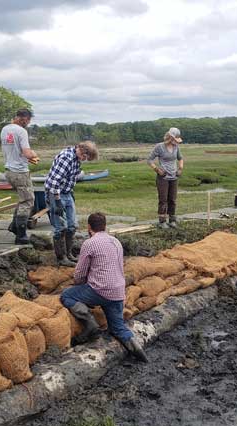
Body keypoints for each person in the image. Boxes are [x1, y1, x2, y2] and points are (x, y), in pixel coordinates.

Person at [60, 212, 148, 362]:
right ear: (105, 226)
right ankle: (140, 353)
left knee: (67, 295)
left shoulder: (89, 243)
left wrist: (78, 285)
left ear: (89, 227)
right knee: (118, 328)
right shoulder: (116, 242)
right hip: (118, 292)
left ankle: (90, 324)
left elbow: (80, 274)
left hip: (99, 290)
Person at [44, 140, 99, 266]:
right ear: (81, 150)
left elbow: (70, 177)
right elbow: (53, 181)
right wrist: (57, 201)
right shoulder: (66, 158)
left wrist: (71, 193)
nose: (85, 160)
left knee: (72, 225)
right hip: (55, 193)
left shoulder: (76, 159)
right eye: (85, 157)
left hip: (67, 193)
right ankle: (61, 257)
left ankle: (68, 253)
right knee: (60, 227)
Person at [0, 108, 39, 244]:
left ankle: (14, 226)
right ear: (25, 119)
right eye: (28, 121)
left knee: (22, 199)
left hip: (9, 170)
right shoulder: (21, 131)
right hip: (20, 172)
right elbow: (27, 153)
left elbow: (15, 150)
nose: (28, 123)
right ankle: (21, 235)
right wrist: (33, 154)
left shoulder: (5, 129)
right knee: (28, 201)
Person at [147, 127, 184, 229]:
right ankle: (162, 221)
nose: (176, 142)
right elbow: (149, 160)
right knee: (163, 200)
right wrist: (157, 169)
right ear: (170, 137)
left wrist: (180, 168)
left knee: (172, 199)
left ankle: (172, 220)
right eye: (174, 140)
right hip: (163, 178)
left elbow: (180, 158)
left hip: (174, 177)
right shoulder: (159, 147)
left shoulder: (176, 147)